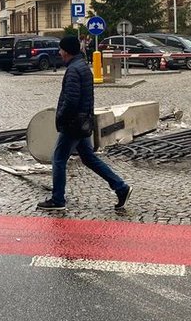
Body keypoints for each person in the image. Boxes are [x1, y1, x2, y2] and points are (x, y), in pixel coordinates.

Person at [37, 35, 131, 211]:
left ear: (66, 51)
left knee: (58, 159)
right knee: (89, 158)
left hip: (73, 124)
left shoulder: (73, 70)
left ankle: (58, 200)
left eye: (61, 50)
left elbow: (71, 100)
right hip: (83, 122)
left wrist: (61, 118)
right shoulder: (83, 67)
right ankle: (121, 187)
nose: (59, 53)